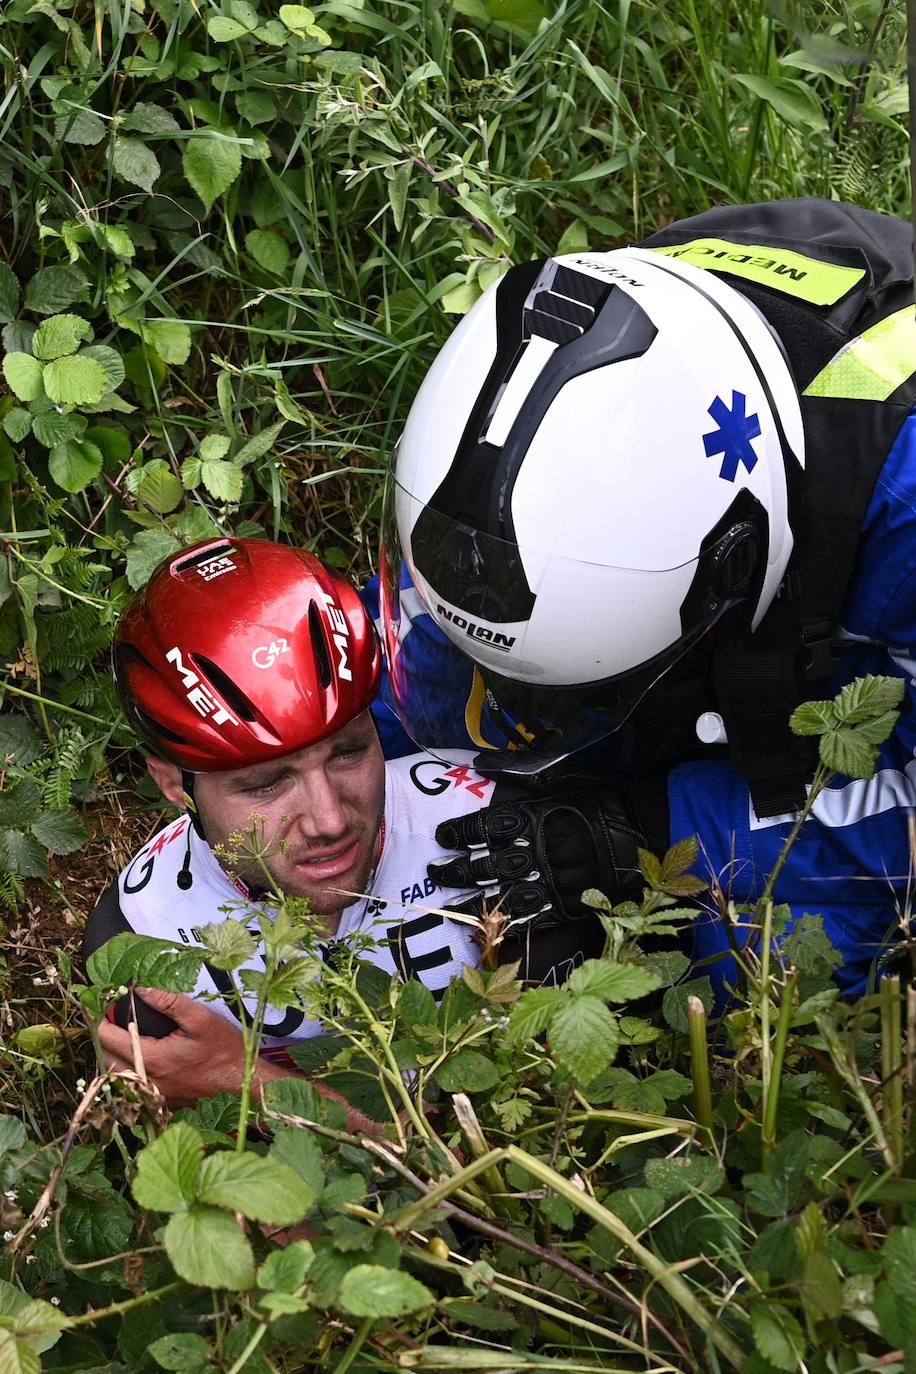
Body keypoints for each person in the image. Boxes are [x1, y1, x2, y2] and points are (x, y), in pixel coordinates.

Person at [375, 197, 916, 1002]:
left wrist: (650, 842)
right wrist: (304, 723)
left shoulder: (901, 514)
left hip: (871, 594)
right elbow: (454, 613)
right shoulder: (566, 382)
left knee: (760, 953)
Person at [85, 538, 640, 1112]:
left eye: (349, 752)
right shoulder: (144, 940)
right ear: (176, 785)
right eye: (266, 784)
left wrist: (242, 1081)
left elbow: (550, 1121)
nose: (328, 820)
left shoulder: (501, 830)